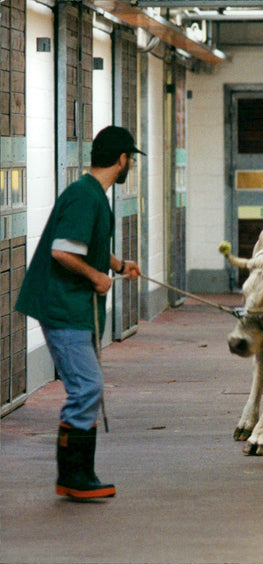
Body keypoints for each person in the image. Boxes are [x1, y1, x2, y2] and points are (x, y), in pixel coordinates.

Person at [16, 125, 143, 498]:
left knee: (86, 386)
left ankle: (78, 475)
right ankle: (73, 477)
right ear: (121, 160)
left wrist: (119, 266)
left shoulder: (92, 194)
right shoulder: (86, 197)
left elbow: (85, 246)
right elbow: (62, 251)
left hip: (72, 306)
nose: (131, 165)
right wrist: (97, 278)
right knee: (87, 386)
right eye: (131, 159)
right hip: (63, 306)